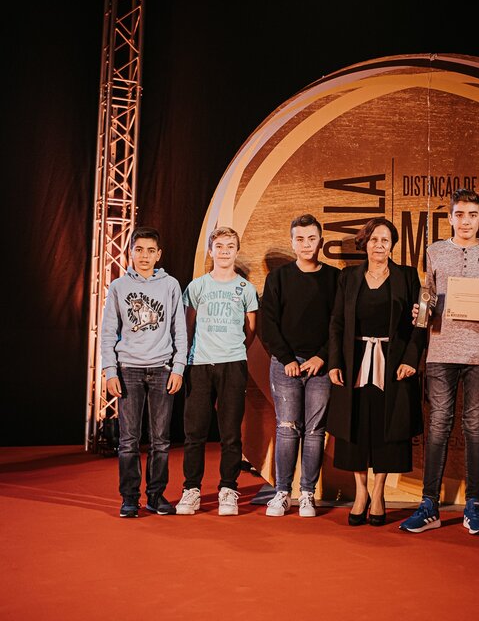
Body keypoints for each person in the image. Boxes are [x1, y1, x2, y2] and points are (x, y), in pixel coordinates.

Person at [399, 188, 479, 535]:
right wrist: (421, 312)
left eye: (472, 215)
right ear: (450, 217)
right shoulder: (434, 251)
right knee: (438, 425)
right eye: (460, 214)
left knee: (474, 426)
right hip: (441, 350)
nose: (466, 221)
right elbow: (429, 297)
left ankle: (473, 506)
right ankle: (429, 506)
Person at [327, 217, 426, 526]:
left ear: (392, 245)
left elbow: (420, 322)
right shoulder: (348, 277)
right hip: (354, 361)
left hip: (393, 363)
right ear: (365, 244)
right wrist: (334, 362)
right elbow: (336, 323)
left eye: (385, 239)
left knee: (387, 427)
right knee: (356, 425)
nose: (379, 245)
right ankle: (361, 493)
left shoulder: (407, 276)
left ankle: (379, 492)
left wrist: (411, 359)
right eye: (373, 239)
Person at [101, 226, 188, 518]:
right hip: (129, 370)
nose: (144, 256)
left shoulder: (170, 285)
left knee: (161, 440)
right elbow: (108, 331)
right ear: (131, 252)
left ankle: (156, 495)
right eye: (139, 250)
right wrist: (110, 370)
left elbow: (179, 329)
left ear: (159, 254)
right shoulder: (119, 286)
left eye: (151, 250)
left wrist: (178, 367)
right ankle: (129, 498)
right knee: (128, 440)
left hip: (162, 369)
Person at [261, 214, 340, 517]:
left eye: (311, 238)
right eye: (300, 239)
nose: (306, 244)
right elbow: (268, 324)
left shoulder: (335, 278)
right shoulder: (278, 278)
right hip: (286, 366)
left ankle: (307, 494)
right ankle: (282, 492)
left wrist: (323, 357)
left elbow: (338, 324)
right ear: (292, 242)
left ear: (321, 241)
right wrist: (287, 359)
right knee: (286, 428)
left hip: (321, 367)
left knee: (315, 431)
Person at [175, 227, 258, 516]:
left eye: (230, 246)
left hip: (233, 364)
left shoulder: (246, 289)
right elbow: (187, 326)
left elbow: (251, 329)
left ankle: (228, 489)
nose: (224, 251)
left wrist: (233, 350)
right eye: (219, 246)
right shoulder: (197, 287)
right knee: (194, 432)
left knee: (231, 433)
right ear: (211, 251)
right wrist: (187, 358)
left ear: (237, 251)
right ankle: (191, 489)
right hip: (199, 364)